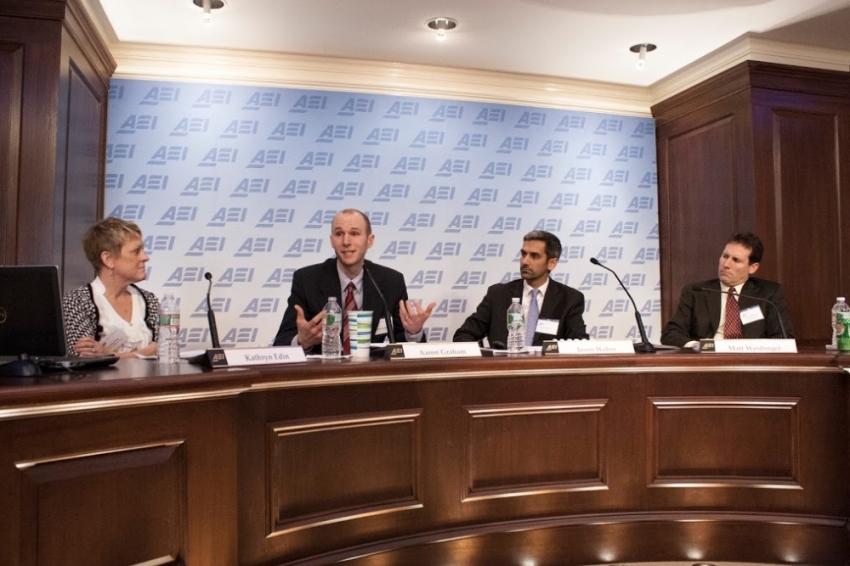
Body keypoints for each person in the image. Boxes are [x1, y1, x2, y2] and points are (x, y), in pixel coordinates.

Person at [273, 208, 435, 353]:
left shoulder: (390, 281)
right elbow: (281, 343)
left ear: (369, 240)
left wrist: (413, 332)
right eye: (339, 234)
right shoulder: (307, 280)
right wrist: (302, 341)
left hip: (371, 378)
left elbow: (401, 347)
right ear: (331, 241)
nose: (346, 242)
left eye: (355, 233)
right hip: (323, 377)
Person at [452, 230, 588, 347]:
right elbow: (464, 335)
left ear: (552, 263)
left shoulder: (569, 299)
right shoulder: (498, 295)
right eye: (523, 254)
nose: (525, 261)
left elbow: (578, 343)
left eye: (534, 256)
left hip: (546, 374)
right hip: (503, 371)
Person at [660, 231, 794, 347]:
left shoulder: (768, 293)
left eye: (736, 260)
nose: (726, 264)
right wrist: (698, 346)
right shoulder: (696, 292)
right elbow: (670, 333)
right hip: (707, 361)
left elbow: (783, 337)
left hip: (750, 362)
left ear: (753, 267)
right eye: (725, 256)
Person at [63, 217, 159, 358]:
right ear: (109, 260)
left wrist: (110, 354)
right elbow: (83, 358)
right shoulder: (77, 302)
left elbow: (165, 350)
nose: (145, 257)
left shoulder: (149, 300)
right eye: (136, 251)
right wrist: (146, 353)